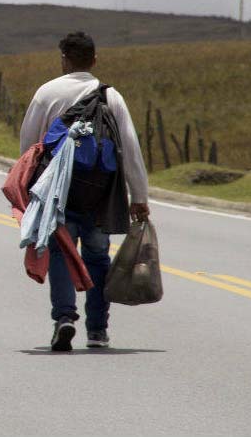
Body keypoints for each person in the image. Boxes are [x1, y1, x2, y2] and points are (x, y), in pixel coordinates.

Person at [18, 31, 149, 351]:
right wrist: (139, 196)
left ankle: (64, 317)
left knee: (61, 252)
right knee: (97, 255)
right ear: (94, 60)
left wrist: (28, 185)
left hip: (58, 190)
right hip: (100, 193)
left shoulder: (47, 93)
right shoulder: (111, 96)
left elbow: (28, 143)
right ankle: (98, 329)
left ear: (64, 59)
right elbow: (130, 148)